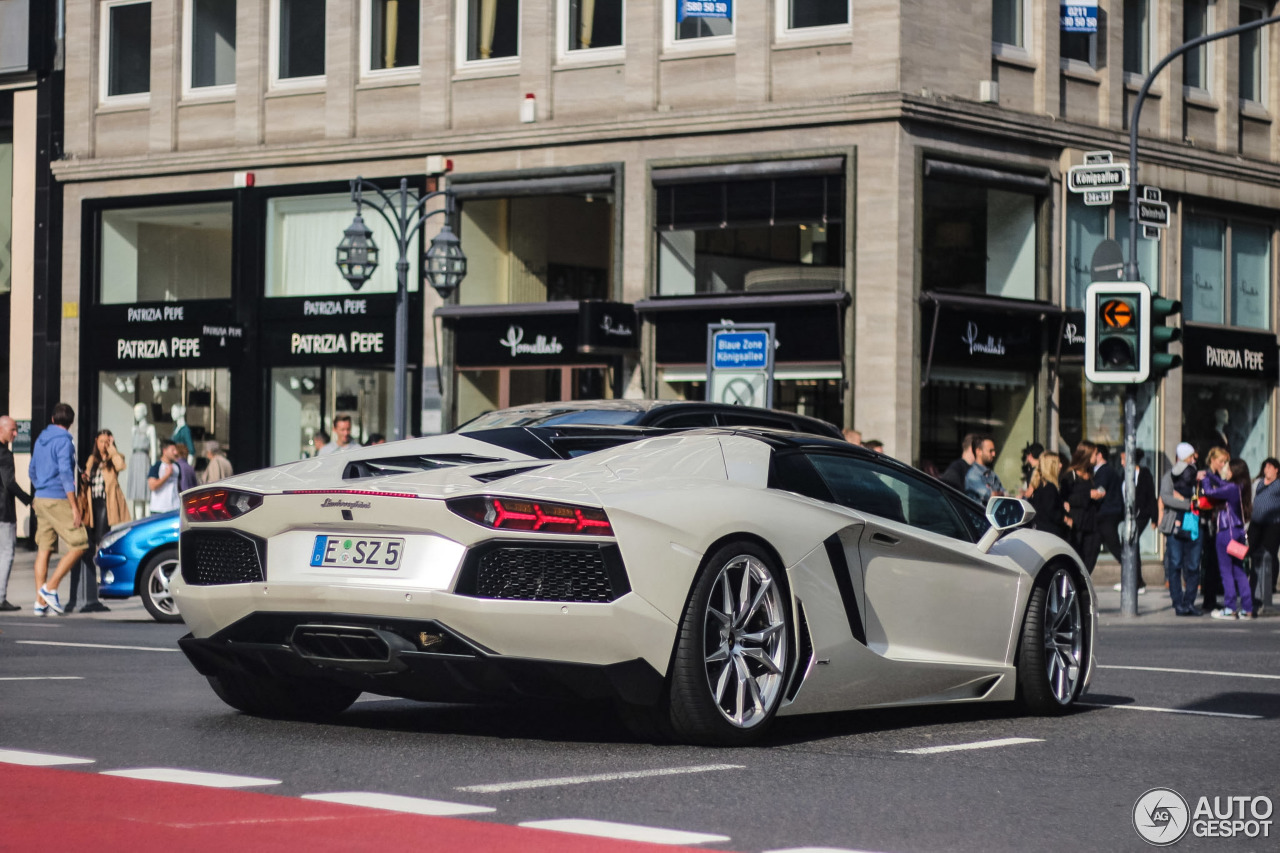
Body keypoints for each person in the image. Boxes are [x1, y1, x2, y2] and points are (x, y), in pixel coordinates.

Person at [28, 403, 88, 616]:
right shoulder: (65, 441)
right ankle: (50, 588)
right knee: (80, 543)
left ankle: (39, 603)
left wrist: (39, 490)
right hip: (57, 498)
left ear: (53, 419)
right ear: (71, 423)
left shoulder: (40, 439)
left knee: (44, 549)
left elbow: (32, 469)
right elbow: (65, 473)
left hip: (40, 498)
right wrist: (74, 507)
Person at [78, 429, 131, 613]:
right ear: (96, 441)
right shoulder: (92, 460)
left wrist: (113, 449)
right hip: (92, 504)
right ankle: (94, 580)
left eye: (106, 441)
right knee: (91, 540)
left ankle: (104, 577)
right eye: (101, 441)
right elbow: (86, 477)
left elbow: (121, 466)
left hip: (105, 504)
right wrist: (84, 478)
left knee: (102, 539)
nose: (103, 445)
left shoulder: (114, 458)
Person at [1199, 449, 1253, 620]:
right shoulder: (1241, 486)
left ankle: (1230, 608)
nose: (1225, 471)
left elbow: (1210, 492)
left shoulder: (1231, 488)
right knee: (1239, 570)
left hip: (1226, 532)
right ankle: (1247, 608)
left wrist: (1205, 479)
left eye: (1228, 469)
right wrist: (1210, 475)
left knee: (1226, 571)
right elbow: (1221, 483)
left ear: (1234, 472)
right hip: (1237, 532)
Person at [1159, 442, 1203, 616]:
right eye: (1190, 457)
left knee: (1193, 566)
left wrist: (1189, 501)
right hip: (1175, 526)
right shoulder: (1170, 476)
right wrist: (1187, 503)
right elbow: (1166, 497)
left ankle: (1190, 602)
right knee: (1175, 564)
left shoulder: (1197, 476)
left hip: (1194, 525)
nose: (1193, 460)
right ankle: (1178, 603)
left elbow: (1202, 498)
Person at [1110, 449, 1157, 593]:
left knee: (1132, 542)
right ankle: (1134, 581)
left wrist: (1155, 518)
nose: (1122, 462)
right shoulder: (1123, 474)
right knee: (1130, 545)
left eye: (1124, 459)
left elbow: (1150, 496)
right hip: (1127, 516)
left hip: (1140, 515)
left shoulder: (1144, 474)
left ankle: (1136, 582)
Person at [0, 415, 33, 610]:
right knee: (6, 553)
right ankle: (1, 597)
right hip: (3, 512)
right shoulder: (4, 454)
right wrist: (29, 500)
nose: (15, 433)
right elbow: (9, 483)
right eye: (12, 430)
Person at [1061, 441, 1100, 572]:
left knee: (1091, 556)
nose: (1097, 457)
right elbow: (1066, 498)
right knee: (1076, 558)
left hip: (1092, 523)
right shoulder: (1070, 476)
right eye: (1095, 454)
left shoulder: (1092, 475)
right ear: (1087, 456)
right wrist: (1088, 495)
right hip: (1077, 523)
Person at [1248, 457, 1280, 614]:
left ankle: (1269, 586)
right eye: (1265, 466)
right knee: (1254, 555)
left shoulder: (1278, 484)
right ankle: (1254, 588)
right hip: (1256, 525)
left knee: (1269, 555)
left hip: (1272, 525)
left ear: (1276, 469)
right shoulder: (1259, 483)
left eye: (1269, 466)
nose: (1266, 469)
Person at [126, 402, 157, 519]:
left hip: (145, 460)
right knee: (136, 493)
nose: (136, 414)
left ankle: (147, 519)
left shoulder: (150, 428)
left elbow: (154, 449)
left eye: (138, 412)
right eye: (135, 412)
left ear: (144, 412)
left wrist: (154, 468)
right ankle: (138, 520)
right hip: (135, 460)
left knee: (146, 492)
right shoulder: (133, 429)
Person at [1026, 453, 1065, 539]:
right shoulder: (1049, 488)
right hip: (1049, 534)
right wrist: (1063, 512)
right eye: (1058, 463)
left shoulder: (1039, 485)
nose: (1061, 465)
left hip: (1039, 532)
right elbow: (1052, 514)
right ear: (1051, 466)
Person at [964, 435, 1004, 503]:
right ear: (978, 451)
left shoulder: (990, 473)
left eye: (994, 451)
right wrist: (1000, 494)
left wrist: (1000, 493)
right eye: (990, 451)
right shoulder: (973, 475)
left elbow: (1003, 492)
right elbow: (992, 497)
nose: (994, 454)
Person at [147, 440, 182, 514]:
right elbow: (152, 486)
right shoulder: (157, 466)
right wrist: (167, 476)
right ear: (164, 451)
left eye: (176, 450)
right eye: (173, 450)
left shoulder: (177, 467)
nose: (175, 452)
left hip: (175, 508)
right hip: (159, 509)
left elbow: (179, 487)